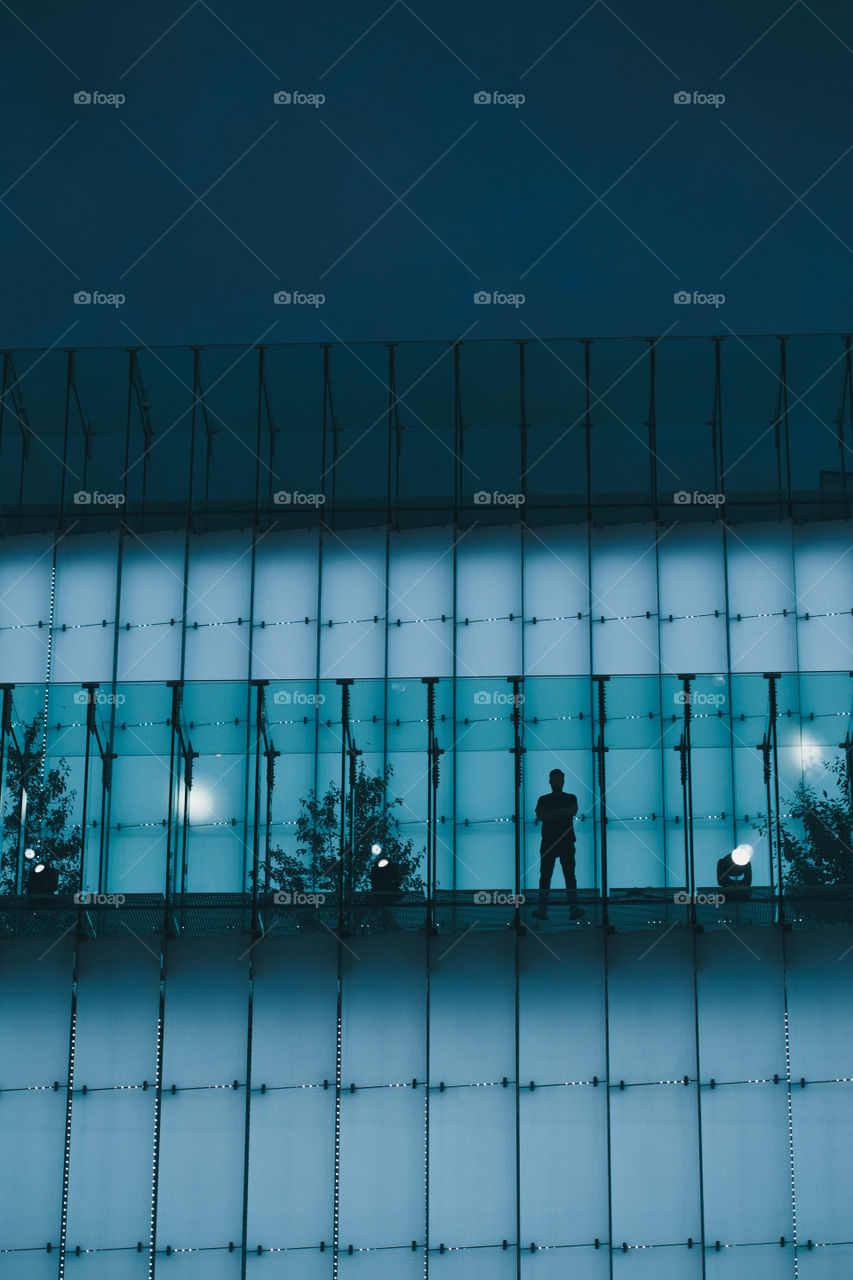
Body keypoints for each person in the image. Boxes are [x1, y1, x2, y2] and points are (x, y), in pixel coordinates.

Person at [532, 769, 584, 920]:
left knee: (548, 876)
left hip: (551, 841)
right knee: (566, 875)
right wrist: (563, 812)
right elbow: (569, 811)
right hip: (564, 841)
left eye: (558, 780)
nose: (557, 783)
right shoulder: (569, 798)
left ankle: (543, 908)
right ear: (551, 782)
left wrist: (551, 814)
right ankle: (572, 907)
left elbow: (544, 815)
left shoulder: (544, 800)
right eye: (556, 780)